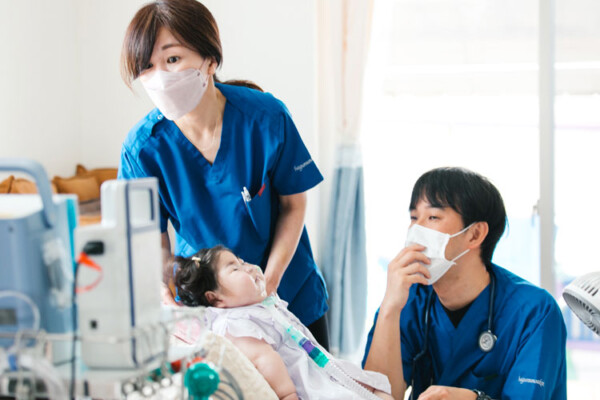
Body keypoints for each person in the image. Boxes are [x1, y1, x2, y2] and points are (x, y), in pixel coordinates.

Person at [118, 0, 329, 347]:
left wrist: (267, 286)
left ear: (210, 60)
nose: (160, 77)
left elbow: (294, 205)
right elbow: (150, 241)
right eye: (147, 67)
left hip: (289, 295)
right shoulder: (142, 149)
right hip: (211, 308)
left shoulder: (265, 118)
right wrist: (163, 290)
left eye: (173, 59)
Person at [362, 167, 567, 400]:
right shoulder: (408, 300)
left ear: (475, 234)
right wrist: (389, 308)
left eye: (432, 217)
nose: (416, 230)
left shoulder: (534, 312)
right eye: (413, 218)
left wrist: (474, 399)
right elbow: (374, 395)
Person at [174, 245, 392, 400]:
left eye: (242, 261)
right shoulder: (233, 323)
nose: (247, 267)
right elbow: (263, 358)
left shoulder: (262, 305)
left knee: (380, 390)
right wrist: (288, 395)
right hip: (306, 386)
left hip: (324, 370)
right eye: (235, 268)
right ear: (215, 299)